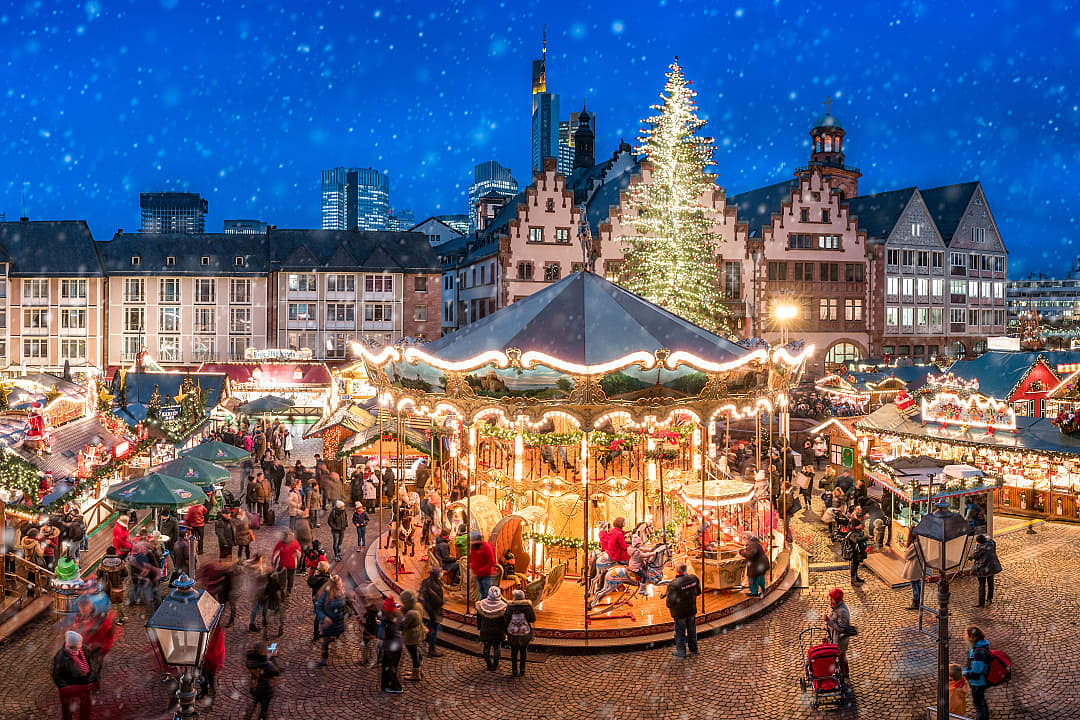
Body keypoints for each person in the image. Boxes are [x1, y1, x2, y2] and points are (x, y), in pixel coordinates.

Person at [52, 631, 99, 720]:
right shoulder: (61, 657)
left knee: (86, 705)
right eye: (79, 644)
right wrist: (67, 688)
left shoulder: (83, 650)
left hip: (83, 684)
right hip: (70, 686)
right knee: (67, 709)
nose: (81, 645)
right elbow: (57, 676)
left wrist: (92, 679)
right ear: (72, 646)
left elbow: (91, 665)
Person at [665, 562, 701, 658]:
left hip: (680, 612)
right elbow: (698, 592)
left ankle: (681, 652)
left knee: (680, 632)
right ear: (686, 569)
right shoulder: (694, 579)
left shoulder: (673, 584)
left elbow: (670, 602)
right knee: (692, 630)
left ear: (677, 570)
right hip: (691, 609)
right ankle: (694, 649)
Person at [314, 575, 348, 666]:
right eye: (340, 584)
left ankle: (335, 649)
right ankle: (324, 658)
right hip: (329, 624)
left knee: (336, 637)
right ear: (335, 585)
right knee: (326, 642)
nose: (342, 585)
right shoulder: (326, 594)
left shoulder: (342, 592)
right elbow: (318, 607)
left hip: (339, 622)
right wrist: (324, 618)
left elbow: (345, 606)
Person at [245, 642, 281, 720]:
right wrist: (273, 658)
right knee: (264, 710)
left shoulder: (250, 660)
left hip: (254, 686)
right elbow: (277, 672)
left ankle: (247, 717)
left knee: (252, 704)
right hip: (266, 689)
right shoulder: (267, 664)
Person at [504, 588, 535, 677]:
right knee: (523, 651)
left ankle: (514, 670)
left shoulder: (510, 607)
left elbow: (506, 620)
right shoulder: (527, 607)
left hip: (513, 633)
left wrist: (506, 631)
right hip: (524, 632)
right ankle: (522, 669)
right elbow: (532, 619)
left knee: (513, 652)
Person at [963, 626, 992, 720]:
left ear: (972, 637)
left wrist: (963, 673)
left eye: (966, 634)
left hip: (978, 682)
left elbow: (976, 673)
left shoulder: (979, 652)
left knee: (978, 705)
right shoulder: (976, 647)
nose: (964, 636)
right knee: (981, 701)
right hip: (977, 681)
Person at [475, 586, 507, 671]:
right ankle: (495, 665)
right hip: (498, 631)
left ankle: (488, 664)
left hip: (485, 629)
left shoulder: (481, 604)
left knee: (486, 647)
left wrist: (479, 627)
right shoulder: (503, 607)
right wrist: (505, 631)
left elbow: (478, 619)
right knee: (497, 648)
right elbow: (505, 621)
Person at [825, 588, 852, 680]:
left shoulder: (842, 611)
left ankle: (844, 674)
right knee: (839, 656)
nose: (830, 600)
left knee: (840, 656)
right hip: (835, 637)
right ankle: (841, 673)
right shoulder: (835, 607)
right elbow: (834, 622)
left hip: (840, 639)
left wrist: (828, 621)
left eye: (831, 598)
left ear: (836, 600)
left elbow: (841, 628)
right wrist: (826, 627)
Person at [380, 596, 404, 693]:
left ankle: (396, 687)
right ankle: (389, 684)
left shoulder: (386, 620)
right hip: (399, 644)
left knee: (389, 667)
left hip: (390, 647)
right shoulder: (399, 615)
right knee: (393, 666)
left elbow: (381, 635)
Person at [97, 546, 128, 624]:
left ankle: (104, 618)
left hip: (106, 585)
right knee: (119, 602)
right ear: (115, 552)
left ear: (107, 553)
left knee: (105, 601)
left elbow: (98, 574)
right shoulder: (120, 561)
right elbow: (126, 573)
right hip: (117, 584)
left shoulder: (103, 562)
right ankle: (121, 619)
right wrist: (120, 578)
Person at [971, 534, 1002, 607]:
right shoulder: (991, 544)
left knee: (982, 585)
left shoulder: (980, 548)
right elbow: (992, 541)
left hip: (982, 569)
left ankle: (981, 603)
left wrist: (976, 547)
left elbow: (975, 556)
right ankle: (989, 598)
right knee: (990, 583)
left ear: (979, 542)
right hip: (991, 567)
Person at [400, 590, 425, 681]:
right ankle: (419, 669)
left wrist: (401, 613)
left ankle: (416, 673)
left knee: (413, 654)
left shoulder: (411, 613)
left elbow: (403, 624)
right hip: (419, 632)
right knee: (416, 651)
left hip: (411, 635)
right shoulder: (418, 606)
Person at [419, 567, 444, 656]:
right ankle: (431, 649)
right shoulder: (436, 586)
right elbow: (439, 601)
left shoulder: (425, 581)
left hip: (426, 608)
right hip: (433, 611)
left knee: (430, 626)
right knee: (434, 629)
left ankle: (424, 638)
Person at [197, 624, 225, 703]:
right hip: (204, 658)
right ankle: (204, 691)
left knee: (210, 677)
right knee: (202, 675)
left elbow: (217, 650)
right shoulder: (207, 629)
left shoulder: (218, 633)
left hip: (211, 661)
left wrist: (205, 655)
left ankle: (211, 694)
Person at [271, 530, 301, 597]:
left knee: (283, 579)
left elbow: (275, 554)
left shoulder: (280, 544)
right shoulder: (295, 543)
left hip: (282, 565)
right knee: (290, 578)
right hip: (291, 564)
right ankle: (288, 590)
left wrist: (273, 563)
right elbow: (299, 554)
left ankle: (283, 591)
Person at [307, 560, 332, 641]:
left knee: (317, 617)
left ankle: (315, 634)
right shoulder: (327, 579)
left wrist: (313, 574)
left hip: (316, 599)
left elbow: (309, 581)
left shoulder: (314, 578)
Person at [902, 541, 925, 610]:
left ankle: (916, 603)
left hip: (914, 567)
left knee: (915, 585)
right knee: (918, 583)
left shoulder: (915, 545)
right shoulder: (922, 543)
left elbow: (906, 555)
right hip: (919, 566)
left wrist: (906, 550)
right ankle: (919, 602)